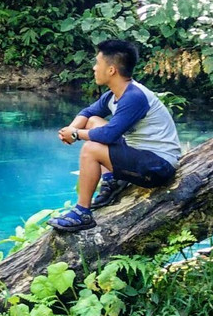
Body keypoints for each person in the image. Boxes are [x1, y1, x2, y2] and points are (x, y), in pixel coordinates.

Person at [48, 39, 182, 233]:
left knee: (91, 149)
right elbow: (87, 113)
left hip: (158, 166)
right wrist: (69, 130)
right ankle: (112, 182)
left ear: (111, 70)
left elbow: (109, 135)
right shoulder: (114, 94)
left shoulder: (134, 97)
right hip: (142, 155)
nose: (94, 68)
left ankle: (82, 213)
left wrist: (76, 134)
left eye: (97, 63)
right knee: (94, 120)